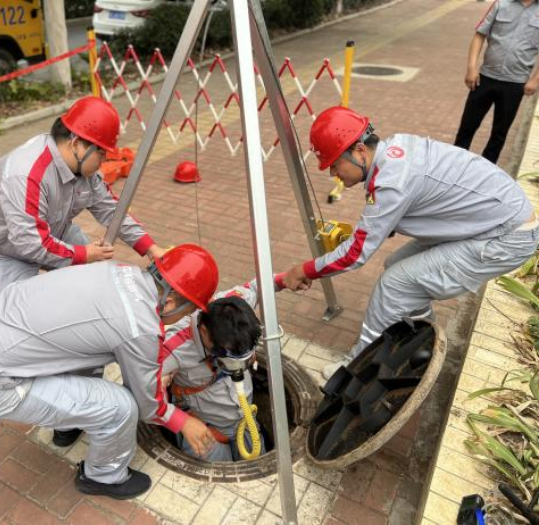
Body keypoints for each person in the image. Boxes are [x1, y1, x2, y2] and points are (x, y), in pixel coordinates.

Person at [282, 106, 538, 380]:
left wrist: (303, 270)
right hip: (493, 219)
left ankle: (356, 370)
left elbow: (354, 254)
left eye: (334, 163)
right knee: (396, 265)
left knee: (394, 284)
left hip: (505, 236)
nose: (333, 173)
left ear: (359, 150)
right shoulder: (394, 150)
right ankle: (421, 341)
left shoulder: (391, 180)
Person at [0, 244, 219, 499]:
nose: (187, 318)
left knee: (92, 354)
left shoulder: (118, 270)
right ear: (170, 302)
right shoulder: (141, 326)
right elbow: (149, 406)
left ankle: (67, 426)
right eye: (191, 310)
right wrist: (183, 422)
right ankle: (103, 476)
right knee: (122, 408)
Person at [0, 96, 165, 294]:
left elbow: (111, 210)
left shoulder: (84, 169)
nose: (104, 161)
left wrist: (151, 249)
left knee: (93, 275)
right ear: (76, 144)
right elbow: (30, 243)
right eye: (101, 154)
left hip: (46, 229)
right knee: (28, 308)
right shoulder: (27, 174)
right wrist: (84, 253)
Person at [164, 276, 285, 461]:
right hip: (205, 430)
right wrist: (180, 421)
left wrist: (289, 278)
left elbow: (259, 284)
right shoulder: (172, 348)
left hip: (245, 421)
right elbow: (141, 388)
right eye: (228, 358)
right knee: (220, 476)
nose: (238, 367)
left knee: (256, 464)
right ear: (204, 331)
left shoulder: (235, 305)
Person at [454, 0, 539, 163]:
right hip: (484, 79)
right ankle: (454, 167)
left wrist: (536, 80)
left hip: (515, 84)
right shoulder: (501, 4)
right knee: (467, 127)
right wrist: (471, 68)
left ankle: (485, 175)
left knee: (499, 134)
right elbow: (480, 34)